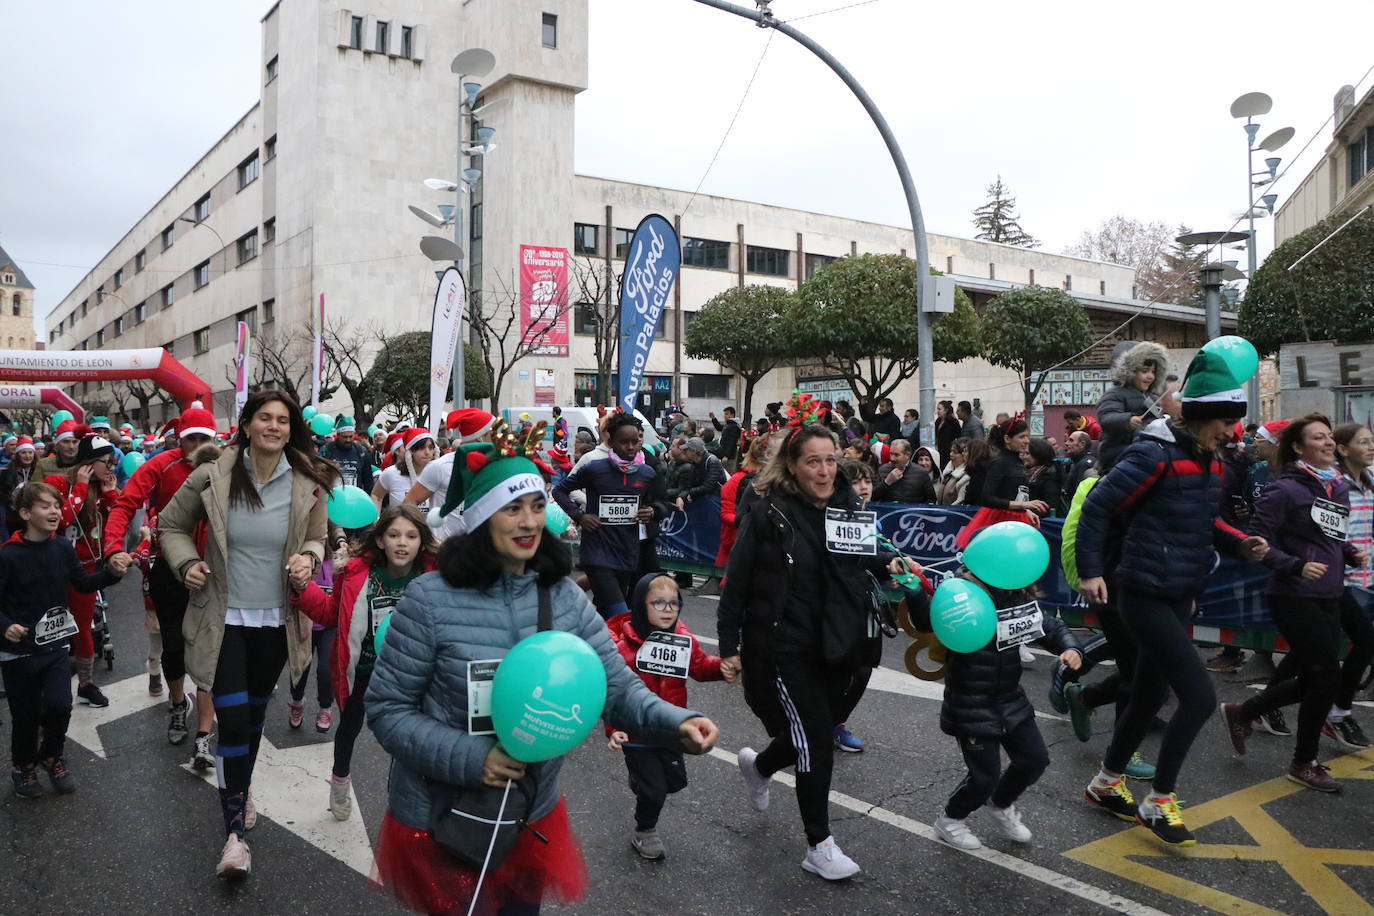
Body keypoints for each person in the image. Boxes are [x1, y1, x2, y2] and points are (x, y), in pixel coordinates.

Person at [365, 439, 718, 916]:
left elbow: (614, 684)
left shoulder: (565, 597)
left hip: (526, 811)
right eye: (512, 508)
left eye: (536, 505)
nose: (529, 521)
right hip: (443, 813)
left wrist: (676, 720)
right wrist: (474, 759)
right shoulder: (430, 600)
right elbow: (388, 710)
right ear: (483, 517)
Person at [1076, 350, 1268, 845]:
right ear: (1204, 418)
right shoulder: (1153, 452)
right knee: (1200, 697)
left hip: (1180, 592)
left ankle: (1104, 784)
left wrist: (1238, 542)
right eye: (1227, 422)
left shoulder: (1212, 459)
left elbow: (1205, 523)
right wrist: (1092, 572)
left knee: (1148, 694)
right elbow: (1097, 507)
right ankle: (1159, 801)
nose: (1233, 432)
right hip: (1141, 591)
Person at [718, 421, 912, 880]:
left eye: (830, 460)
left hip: (840, 641)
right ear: (792, 465)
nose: (824, 471)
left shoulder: (847, 506)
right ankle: (818, 845)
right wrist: (730, 647)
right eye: (813, 461)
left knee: (811, 734)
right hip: (784, 645)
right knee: (818, 742)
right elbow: (737, 583)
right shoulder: (768, 514)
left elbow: (860, 558)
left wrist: (891, 562)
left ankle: (760, 765)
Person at [157, 389, 335, 878]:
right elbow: (169, 525)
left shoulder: (307, 481)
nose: (273, 426)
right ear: (248, 423)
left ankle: (240, 784)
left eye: (282, 420)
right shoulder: (214, 473)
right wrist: (187, 561)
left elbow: (318, 535)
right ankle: (235, 834)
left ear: (290, 427)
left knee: (253, 718)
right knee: (232, 721)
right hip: (223, 618)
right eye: (264, 417)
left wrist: (310, 558)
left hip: (278, 621)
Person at [1221, 415, 1369, 791]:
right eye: (1318, 438)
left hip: (1330, 591)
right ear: (1299, 447)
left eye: (1330, 437)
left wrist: (1349, 552)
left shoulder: (1335, 486)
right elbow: (1257, 542)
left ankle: (1246, 711)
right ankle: (1304, 761)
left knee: (1319, 677)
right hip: (1292, 593)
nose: (1328, 443)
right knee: (1325, 676)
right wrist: (1295, 565)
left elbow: (1327, 537)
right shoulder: (1284, 489)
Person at [913, 568, 1082, 850]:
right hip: (970, 704)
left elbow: (1048, 626)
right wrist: (914, 591)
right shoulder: (958, 594)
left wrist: (1071, 647)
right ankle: (950, 820)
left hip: (1010, 699)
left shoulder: (1015, 595)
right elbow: (925, 621)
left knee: (1034, 760)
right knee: (984, 777)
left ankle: (1001, 803)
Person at [291, 504, 437, 821]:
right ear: (381, 540)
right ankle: (340, 779)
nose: (402, 542)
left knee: (413, 739)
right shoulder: (356, 573)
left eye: (411, 536)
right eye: (394, 534)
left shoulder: (435, 578)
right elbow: (331, 613)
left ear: (422, 541)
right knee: (349, 729)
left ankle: (414, 800)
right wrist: (301, 588)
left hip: (412, 676)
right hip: (363, 673)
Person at [1, 482, 130, 797]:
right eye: (45, 506)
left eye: (57, 506)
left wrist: (113, 572)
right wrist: (5, 625)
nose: (55, 512)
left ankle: (51, 756)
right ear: (25, 513)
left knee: (60, 705)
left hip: (56, 646)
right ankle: (24, 768)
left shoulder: (62, 548)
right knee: (26, 717)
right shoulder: (8, 555)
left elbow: (83, 584)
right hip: (19, 653)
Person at [103, 406, 219, 755]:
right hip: (170, 568)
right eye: (190, 438)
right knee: (173, 644)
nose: (197, 445)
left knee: (213, 647)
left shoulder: (225, 466)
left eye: (204, 439)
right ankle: (177, 704)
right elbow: (125, 505)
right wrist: (112, 547)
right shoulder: (161, 464)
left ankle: (205, 726)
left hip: (215, 571)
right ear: (178, 439)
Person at [606, 573, 729, 859]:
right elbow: (613, 692)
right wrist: (613, 729)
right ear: (640, 604)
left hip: (672, 729)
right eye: (658, 603)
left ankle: (642, 783)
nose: (667, 610)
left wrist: (721, 668)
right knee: (655, 790)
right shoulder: (621, 647)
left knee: (673, 782)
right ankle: (645, 830)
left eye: (673, 603)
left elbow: (700, 666)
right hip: (635, 732)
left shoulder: (682, 639)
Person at [553, 413, 668, 619]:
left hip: (628, 553)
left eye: (635, 441)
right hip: (598, 553)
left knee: (607, 614)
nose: (631, 447)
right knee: (621, 614)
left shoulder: (647, 473)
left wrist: (652, 511)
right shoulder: (595, 469)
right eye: (624, 442)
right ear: (611, 441)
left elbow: (661, 503)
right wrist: (580, 516)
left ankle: (581, 634)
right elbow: (559, 491)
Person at [44, 432, 123, 708]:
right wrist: (79, 487)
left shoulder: (104, 489)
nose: (111, 467)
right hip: (53, 569)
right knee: (50, 628)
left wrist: (112, 494)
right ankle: (45, 686)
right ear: (89, 464)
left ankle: (86, 684)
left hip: (86, 571)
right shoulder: (57, 482)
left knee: (84, 629)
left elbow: (117, 524)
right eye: (106, 462)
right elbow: (62, 519)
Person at [1325, 423, 1374, 748]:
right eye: (1364, 442)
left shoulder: (1370, 484)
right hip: (1338, 581)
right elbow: (1326, 536)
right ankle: (1339, 713)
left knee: (1307, 658)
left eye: (1372, 441)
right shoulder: (1332, 484)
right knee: (1367, 643)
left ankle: (1252, 710)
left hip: (1367, 579)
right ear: (1342, 449)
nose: (1371, 446)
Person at [956, 417, 1048, 550]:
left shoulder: (1018, 463)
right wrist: (1023, 505)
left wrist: (1025, 510)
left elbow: (1010, 493)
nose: (1027, 440)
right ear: (1007, 439)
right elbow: (987, 498)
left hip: (1016, 521)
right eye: (1022, 437)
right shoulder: (999, 463)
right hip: (999, 523)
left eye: (1027, 436)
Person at [1096, 341, 1170, 472]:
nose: (1150, 376)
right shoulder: (1115, 393)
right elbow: (1106, 417)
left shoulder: (1152, 398)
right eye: (1145, 371)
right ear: (1129, 371)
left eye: (1153, 372)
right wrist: (1127, 420)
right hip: (1119, 458)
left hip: (1147, 455)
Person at [717, 436, 767, 569]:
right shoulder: (737, 480)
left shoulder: (774, 481)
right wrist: (749, 523)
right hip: (740, 543)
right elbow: (726, 513)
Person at [374, 428, 437, 510]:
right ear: (411, 451)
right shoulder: (392, 473)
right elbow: (376, 495)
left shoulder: (439, 473)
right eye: (421, 448)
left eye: (431, 448)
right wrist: (376, 520)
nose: (427, 452)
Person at [320, 415, 375, 494]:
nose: (348, 440)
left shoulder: (361, 451)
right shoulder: (327, 450)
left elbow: (368, 480)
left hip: (355, 496)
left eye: (350, 436)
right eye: (344, 437)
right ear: (338, 435)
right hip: (333, 496)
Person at [873, 439, 936, 505]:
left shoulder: (921, 473)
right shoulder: (882, 470)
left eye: (896, 455)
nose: (892, 458)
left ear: (907, 455)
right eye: (891, 454)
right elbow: (873, 497)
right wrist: (887, 482)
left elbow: (931, 500)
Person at [672, 437, 726, 511]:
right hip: (703, 499)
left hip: (715, 501)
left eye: (686, 450)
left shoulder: (712, 461)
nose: (683, 452)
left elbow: (708, 486)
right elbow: (689, 484)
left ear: (694, 451)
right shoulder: (694, 463)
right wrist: (681, 497)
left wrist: (690, 493)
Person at [1, 436, 38, 535]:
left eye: (30, 452)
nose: (27, 456)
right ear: (18, 455)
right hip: (14, 516)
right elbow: (3, 493)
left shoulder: (38, 471)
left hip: (34, 515)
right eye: (23, 452)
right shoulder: (8, 472)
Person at [1023, 437, 1063, 517]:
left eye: (1027, 454)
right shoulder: (1030, 474)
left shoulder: (1050, 478)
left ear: (1038, 455)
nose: (1024, 457)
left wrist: (1025, 510)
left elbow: (1050, 507)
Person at [1061, 430, 1097, 510]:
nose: (1066, 443)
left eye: (1071, 440)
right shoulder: (1077, 462)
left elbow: (1080, 495)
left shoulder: (1084, 465)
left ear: (1082, 444)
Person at [938, 438, 972, 506]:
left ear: (964, 455)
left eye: (955, 452)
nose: (951, 454)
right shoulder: (947, 471)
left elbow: (960, 501)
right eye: (951, 451)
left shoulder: (965, 476)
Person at [934, 401, 961, 468]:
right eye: (937, 409)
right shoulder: (938, 421)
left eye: (939, 409)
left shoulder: (953, 422)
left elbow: (959, 436)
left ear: (946, 410)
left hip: (948, 450)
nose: (937, 411)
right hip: (938, 449)